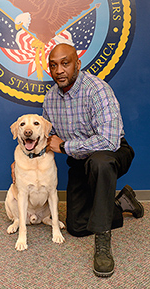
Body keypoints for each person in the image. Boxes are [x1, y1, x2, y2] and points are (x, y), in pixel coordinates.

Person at [42, 43, 144, 277]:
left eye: (65, 63)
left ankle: (103, 243)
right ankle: (123, 203)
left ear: (77, 64)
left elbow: (109, 141)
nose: (59, 70)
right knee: (76, 227)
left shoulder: (97, 90)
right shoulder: (50, 100)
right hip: (79, 159)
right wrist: (24, 160)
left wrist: (66, 146)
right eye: (54, 65)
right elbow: (46, 139)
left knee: (100, 162)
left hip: (112, 154)